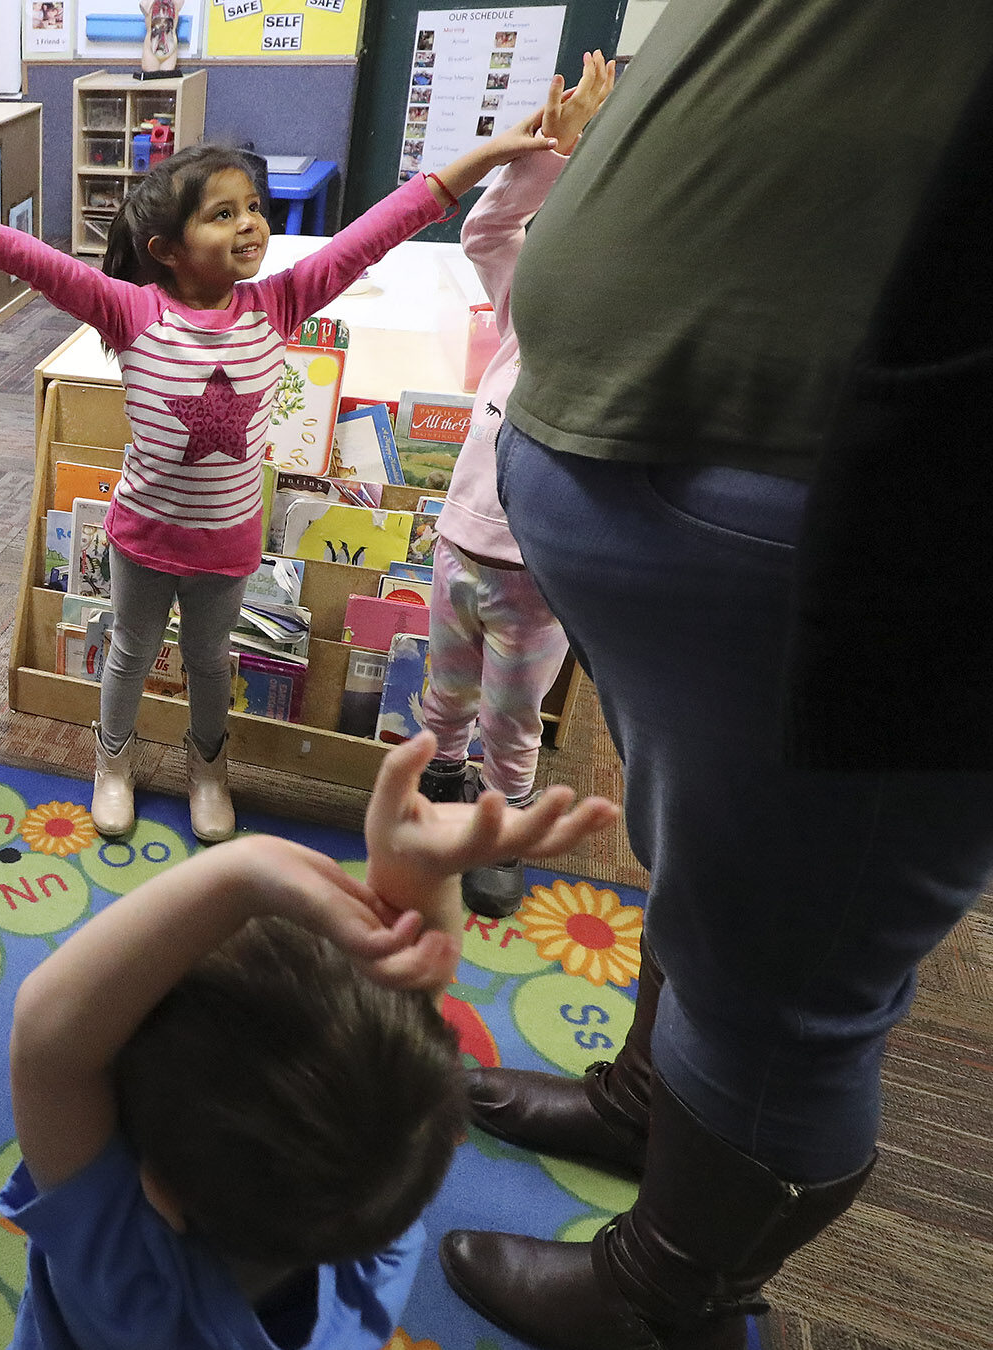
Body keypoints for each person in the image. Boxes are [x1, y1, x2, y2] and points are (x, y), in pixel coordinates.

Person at [435, 7, 993, 1348]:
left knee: (786, 992)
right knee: (710, 886)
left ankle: (666, 1293)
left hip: (886, 522)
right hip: (690, 498)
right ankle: (649, 1104)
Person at [0, 116, 557, 845]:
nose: (250, 223)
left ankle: (209, 767)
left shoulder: (279, 303)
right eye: (223, 214)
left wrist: (491, 153)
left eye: (253, 207)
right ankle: (113, 761)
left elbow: (383, 225)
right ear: (167, 249)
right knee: (129, 651)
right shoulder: (131, 312)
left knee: (211, 660)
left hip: (226, 543)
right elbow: (32, 259)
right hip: (143, 539)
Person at [3, 731, 617, 1348]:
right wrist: (419, 881)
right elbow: (394, 1059)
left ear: (156, 1189)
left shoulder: (124, 1276)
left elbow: (49, 1041)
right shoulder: (370, 1243)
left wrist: (238, 873)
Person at [415, 54, 613, 920]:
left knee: (513, 715)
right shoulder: (524, 315)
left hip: (538, 578)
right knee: (445, 691)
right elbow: (487, 233)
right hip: (459, 547)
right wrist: (549, 151)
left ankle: (502, 824)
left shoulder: (616, 357)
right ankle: (440, 782)